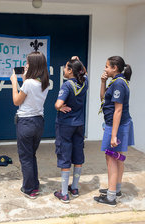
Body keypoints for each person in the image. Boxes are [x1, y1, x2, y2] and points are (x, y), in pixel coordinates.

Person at [94, 56, 134, 206]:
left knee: (112, 160)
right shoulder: (117, 81)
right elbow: (103, 98)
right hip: (118, 125)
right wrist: (103, 82)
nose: (105, 69)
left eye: (107, 66)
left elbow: (118, 110)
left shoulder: (118, 84)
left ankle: (111, 197)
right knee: (117, 158)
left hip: (116, 126)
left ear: (115, 68)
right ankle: (115, 189)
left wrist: (114, 135)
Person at [10, 51, 49, 199]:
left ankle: (29, 189)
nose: (25, 65)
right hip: (38, 122)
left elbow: (16, 101)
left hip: (26, 122)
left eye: (27, 62)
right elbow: (32, 93)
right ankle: (34, 184)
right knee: (31, 155)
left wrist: (15, 83)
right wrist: (24, 78)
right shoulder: (44, 82)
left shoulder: (28, 83)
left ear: (32, 65)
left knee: (25, 157)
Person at [53, 57, 88, 203]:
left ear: (70, 71)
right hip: (79, 125)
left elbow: (58, 104)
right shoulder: (84, 82)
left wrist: (59, 107)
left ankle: (64, 193)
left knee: (65, 155)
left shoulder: (67, 85)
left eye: (66, 67)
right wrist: (78, 61)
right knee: (78, 155)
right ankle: (74, 187)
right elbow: (84, 72)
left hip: (66, 125)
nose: (63, 69)